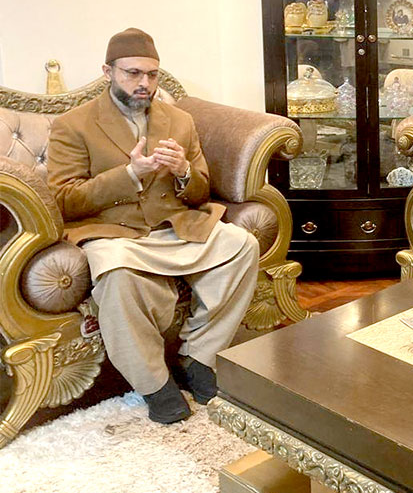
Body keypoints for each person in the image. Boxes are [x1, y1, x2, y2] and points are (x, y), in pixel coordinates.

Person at [47, 28, 260, 424]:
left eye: (152, 74)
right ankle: (154, 384)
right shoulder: (73, 125)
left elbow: (199, 193)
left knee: (242, 244)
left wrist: (183, 172)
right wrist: (129, 173)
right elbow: (64, 201)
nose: (144, 83)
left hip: (174, 226)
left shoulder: (179, 121)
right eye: (132, 73)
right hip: (114, 232)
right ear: (107, 72)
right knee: (117, 275)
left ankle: (198, 358)